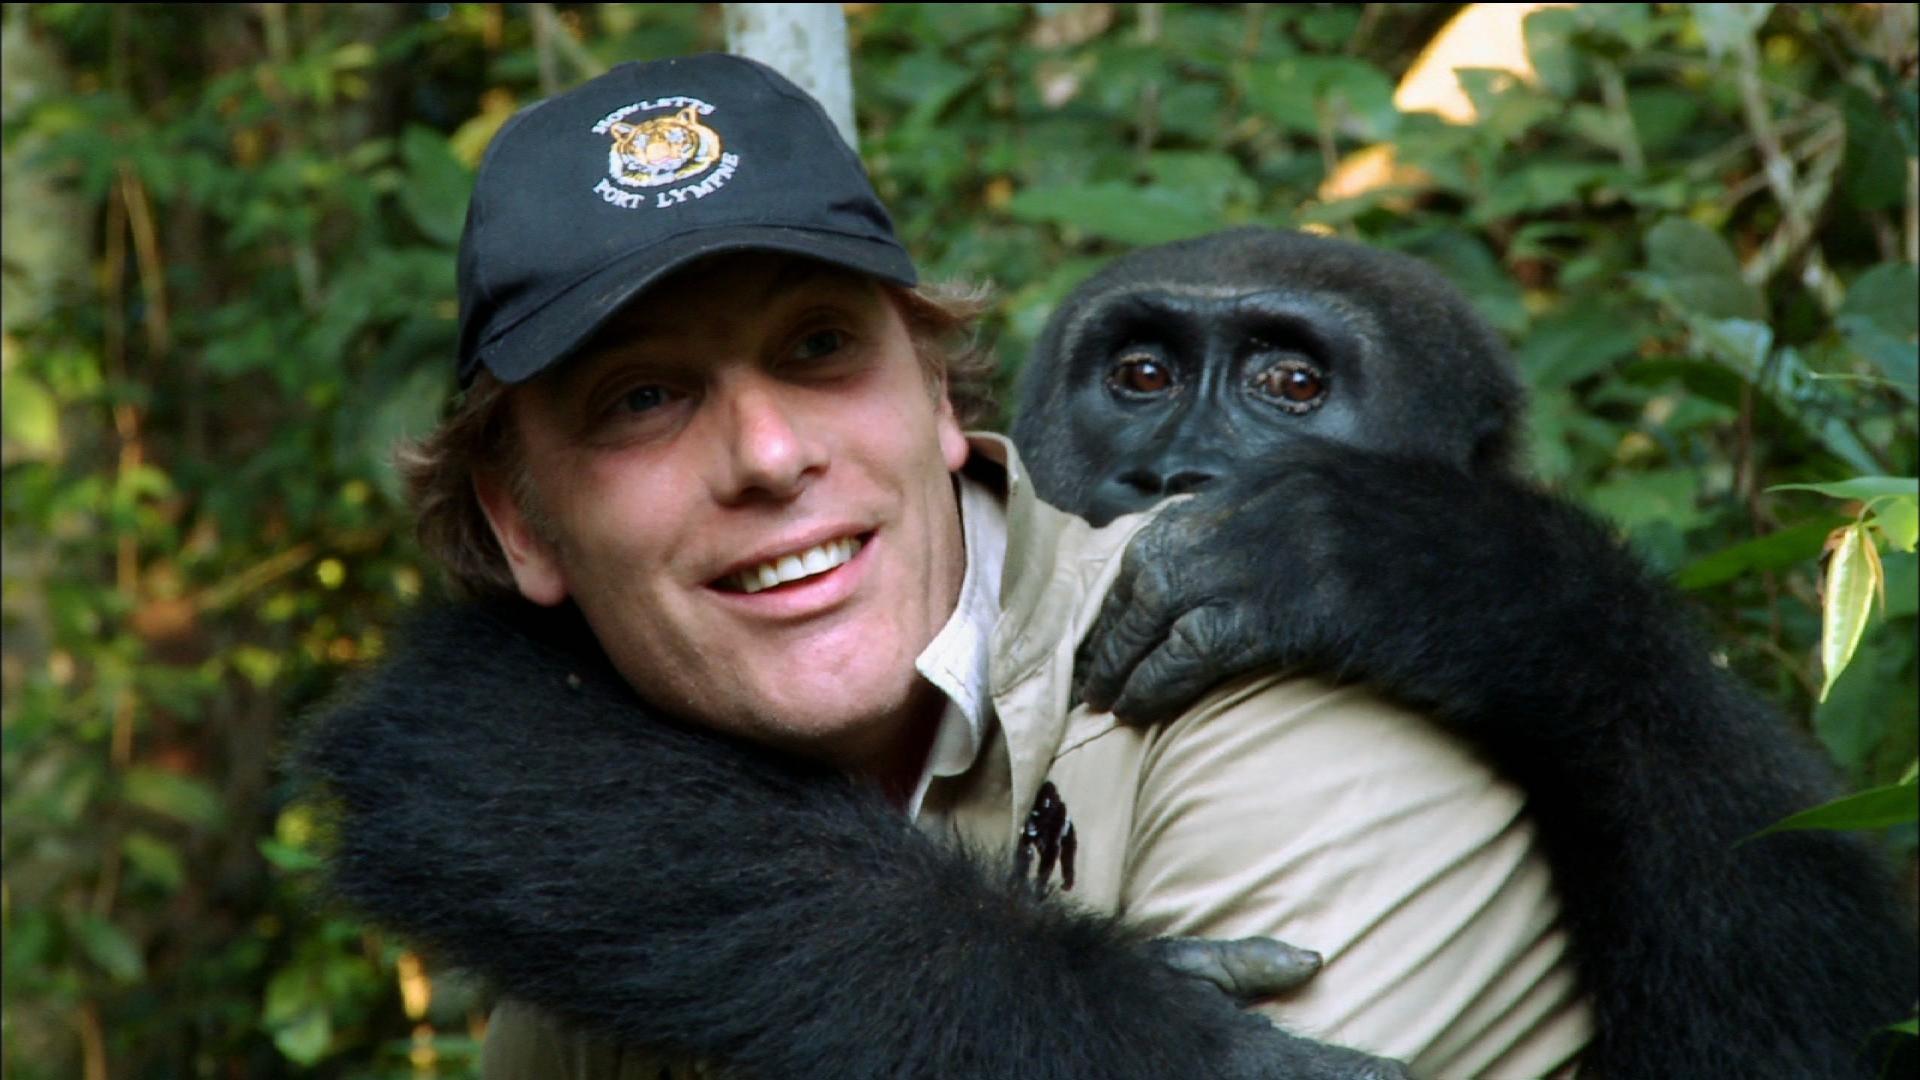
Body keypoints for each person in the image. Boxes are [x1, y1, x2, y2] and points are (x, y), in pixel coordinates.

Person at [341, 54, 1592, 1077]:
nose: (768, 454)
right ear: (518, 523)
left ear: (937, 389)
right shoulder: (591, 894)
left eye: (820, 344)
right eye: (641, 398)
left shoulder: (1270, 699)